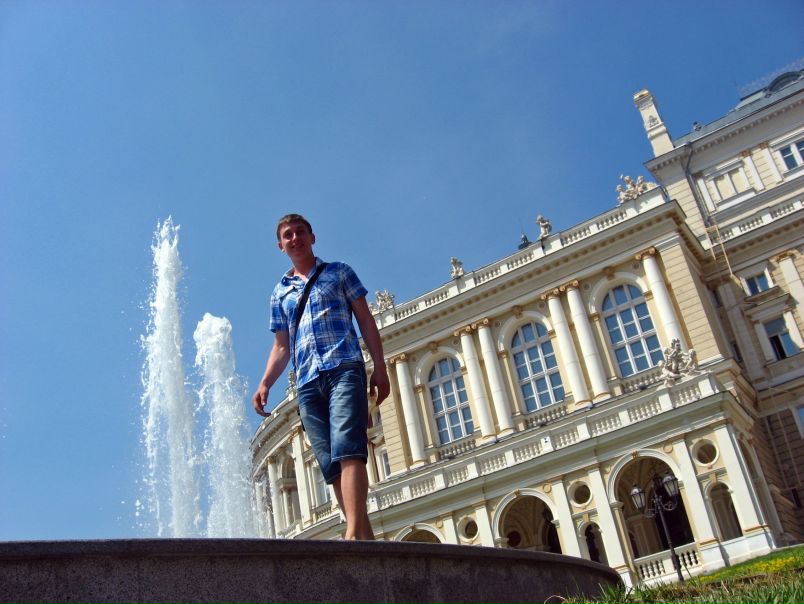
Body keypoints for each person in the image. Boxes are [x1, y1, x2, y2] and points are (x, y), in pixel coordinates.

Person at [252, 213, 390, 540]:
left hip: (343, 366)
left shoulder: (339, 272)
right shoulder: (279, 293)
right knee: (329, 463)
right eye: (288, 235)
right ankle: (364, 538)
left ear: (312, 237)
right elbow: (282, 345)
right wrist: (265, 382)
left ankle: (352, 533)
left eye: (300, 232)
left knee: (348, 447)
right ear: (281, 246)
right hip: (307, 383)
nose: (295, 238)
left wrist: (380, 366)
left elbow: (365, 320)